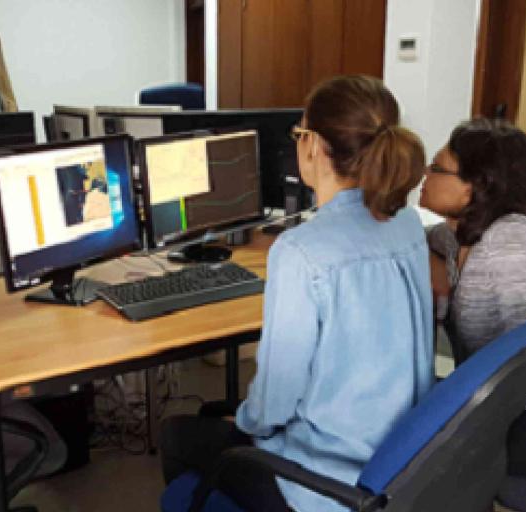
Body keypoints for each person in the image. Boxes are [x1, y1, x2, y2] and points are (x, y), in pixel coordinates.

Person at [160, 75, 434, 512]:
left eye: (298, 133)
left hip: (325, 484)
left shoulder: (301, 252)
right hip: (400, 460)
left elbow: (275, 401)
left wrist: (246, 422)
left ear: (315, 146)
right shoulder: (406, 223)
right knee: (217, 415)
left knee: (178, 435)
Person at [419, 117, 526, 479]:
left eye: (437, 168)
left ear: (475, 187)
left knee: (404, 442)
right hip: (499, 406)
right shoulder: (461, 234)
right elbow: (420, 235)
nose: (425, 174)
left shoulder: (509, 243)